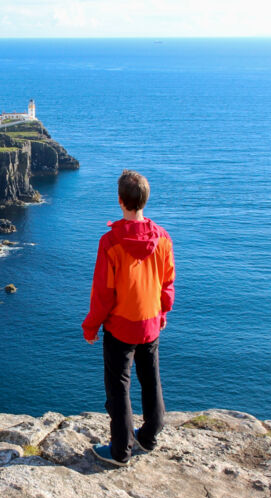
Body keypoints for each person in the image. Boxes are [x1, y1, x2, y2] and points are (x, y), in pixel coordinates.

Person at [82, 170, 175, 467]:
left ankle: (121, 450)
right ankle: (149, 435)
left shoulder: (110, 242)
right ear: (145, 200)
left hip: (121, 325)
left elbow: (103, 293)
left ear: (120, 200)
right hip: (150, 323)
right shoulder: (162, 238)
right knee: (151, 380)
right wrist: (162, 312)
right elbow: (167, 282)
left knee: (119, 388)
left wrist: (91, 325)